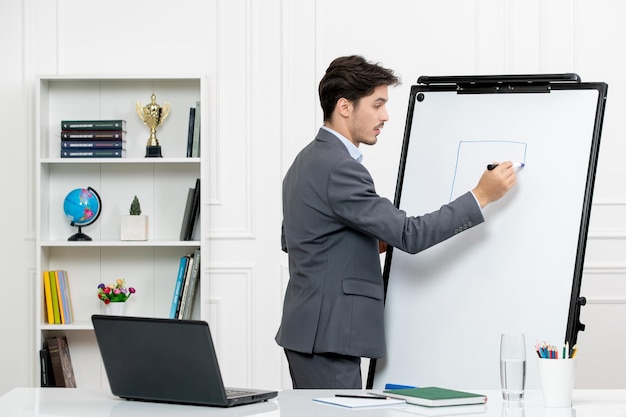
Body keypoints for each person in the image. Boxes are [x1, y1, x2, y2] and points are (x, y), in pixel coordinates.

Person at [275, 55, 517, 389]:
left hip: (311, 330)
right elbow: (410, 235)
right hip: (328, 336)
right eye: (377, 105)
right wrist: (481, 195)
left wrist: (373, 240)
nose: (385, 116)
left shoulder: (305, 161)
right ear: (345, 106)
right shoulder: (340, 168)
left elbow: (303, 238)